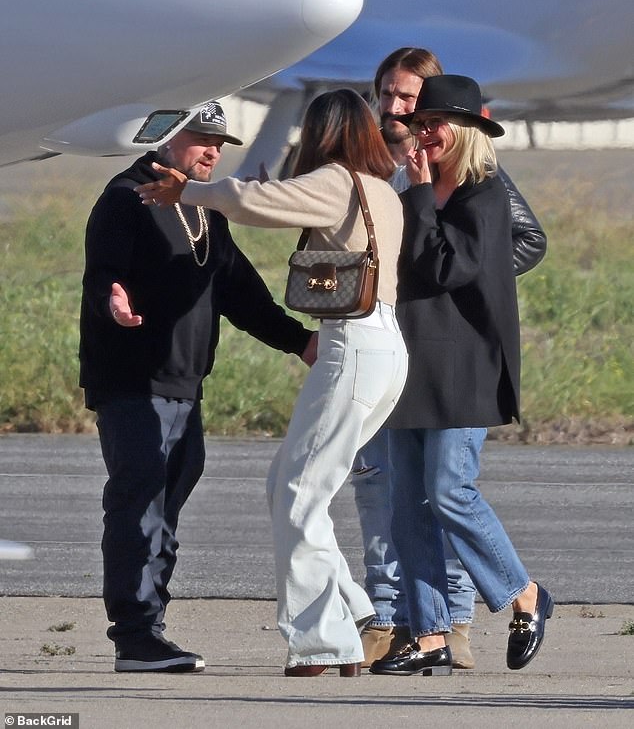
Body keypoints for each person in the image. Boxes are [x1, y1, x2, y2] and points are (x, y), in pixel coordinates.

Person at [137, 88, 409, 677]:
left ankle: (320, 641)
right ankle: (354, 615)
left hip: (352, 347)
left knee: (298, 494)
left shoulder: (340, 181)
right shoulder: (382, 191)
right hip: (384, 348)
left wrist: (192, 191)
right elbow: (280, 203)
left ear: (325, 132)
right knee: (290, 484)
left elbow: (250, 202)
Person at [79, 101, 317, 674]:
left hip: (185, 385)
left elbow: (238, 290)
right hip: (133, 380)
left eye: (219, 143)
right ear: (166, 138)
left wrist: (299, 341)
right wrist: (113, 298)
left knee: (165, 507)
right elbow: (102, 272)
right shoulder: (125, 197)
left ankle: (148, 626)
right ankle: (136, 635)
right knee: (140, 504)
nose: (212, 152)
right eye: (200, 140)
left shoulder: (204, 207)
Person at [353, 47, 547, 670]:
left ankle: (524, 593)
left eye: (436, 123)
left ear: (464, 130)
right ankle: (429, 632)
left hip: (463, 367)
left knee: (449, 491)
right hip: (410, 362)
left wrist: (414, 194)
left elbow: (444, 266)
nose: (423, 131)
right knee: (407, 500)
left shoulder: (481, 196)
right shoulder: (420, 188)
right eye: (420, 121)